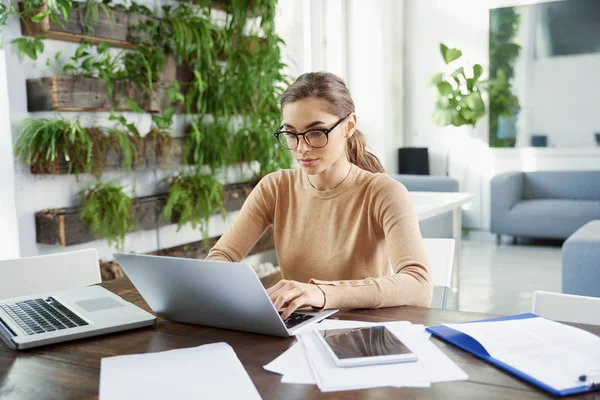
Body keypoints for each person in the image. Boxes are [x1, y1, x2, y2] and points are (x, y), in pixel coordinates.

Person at [206, 72, 432, 319]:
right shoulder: (276, 187)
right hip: (294, 332)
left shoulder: (383, 192)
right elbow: (222, 256)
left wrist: (322, 293)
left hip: (359, 334)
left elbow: (418, 284)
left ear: (349, 126)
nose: (302, 148)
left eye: (316, 133)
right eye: (291, 134)